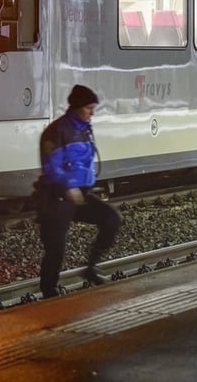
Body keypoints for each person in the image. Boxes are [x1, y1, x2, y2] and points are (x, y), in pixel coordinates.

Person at [35, 84, 122, 298]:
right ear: (77, 107)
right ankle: (49, 291)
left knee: (112, 218)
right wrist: (67, 186)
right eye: (89, 108)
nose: (92, 113)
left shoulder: (84, 128)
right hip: (57, 196)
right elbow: (51, 165)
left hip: (80, 194)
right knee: (56, 246)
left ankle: (90, 267)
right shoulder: (57, 131)